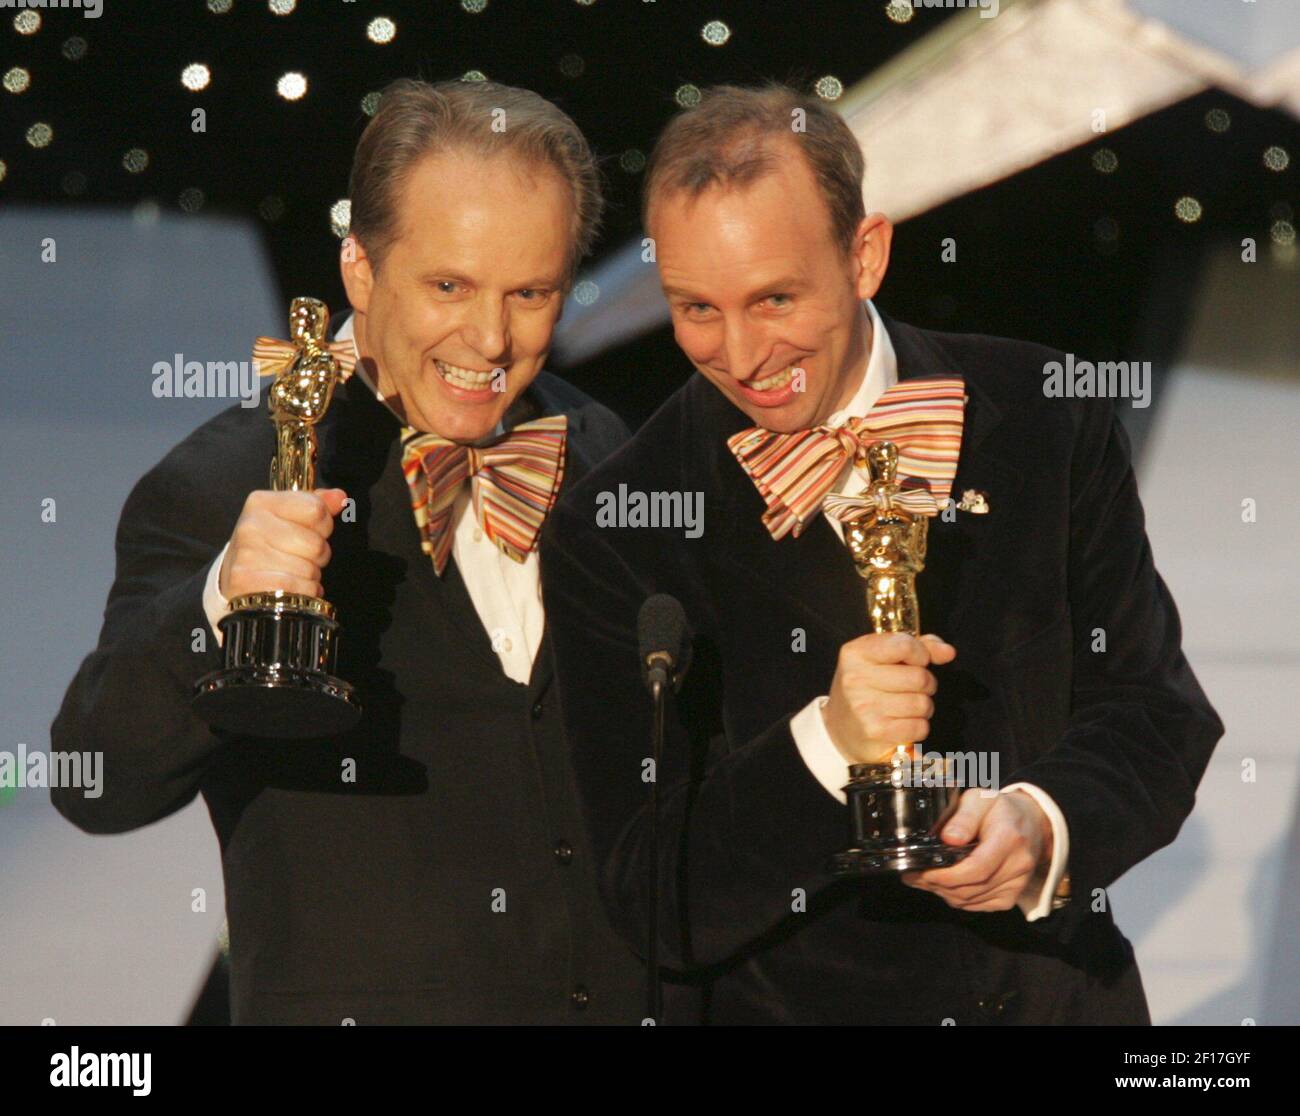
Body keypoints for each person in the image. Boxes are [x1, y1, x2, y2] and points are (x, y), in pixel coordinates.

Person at [539, 84, 1224, 1025]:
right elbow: (653, 896)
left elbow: (1156, 714)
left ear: (866, 254)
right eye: (695, 308)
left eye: (774, 298)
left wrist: (1045, 823)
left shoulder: (1046, 415)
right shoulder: (614, 526)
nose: (739, 354)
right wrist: (825, 745)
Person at [51, 78, 642, 1025]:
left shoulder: (603, 446)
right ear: (360, 272)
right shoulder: (222, 480)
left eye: (530, 292)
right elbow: (95, 780)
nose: (490, 338)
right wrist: (220, 604)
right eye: (448, 285)